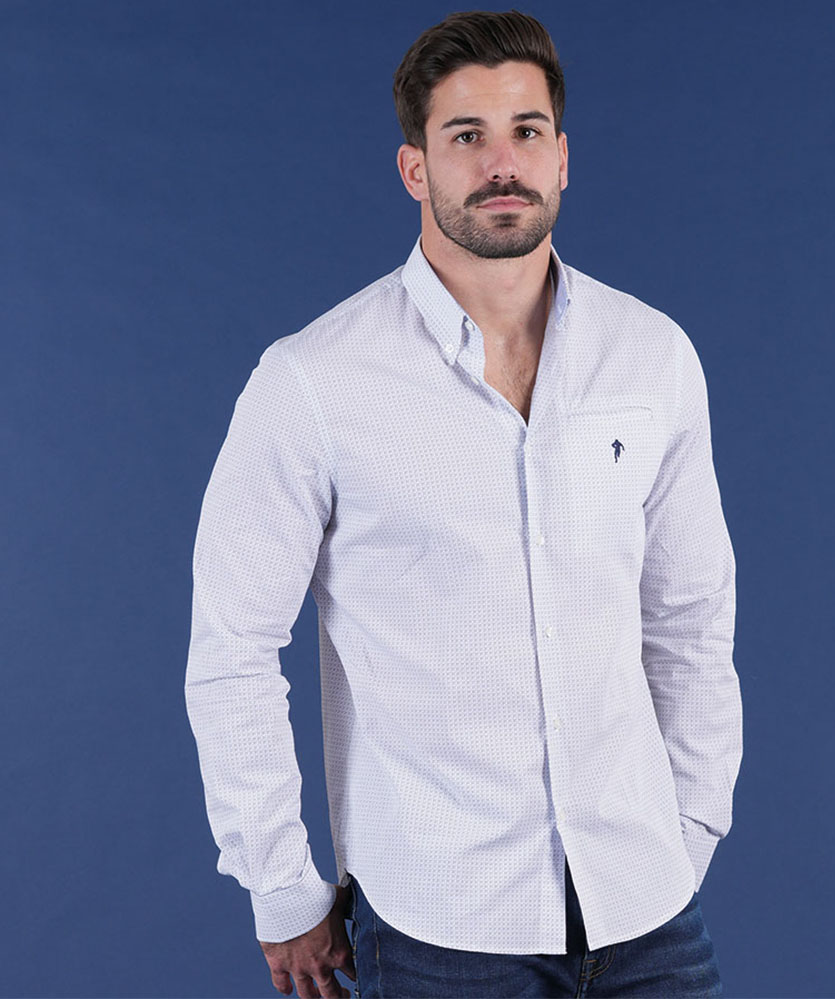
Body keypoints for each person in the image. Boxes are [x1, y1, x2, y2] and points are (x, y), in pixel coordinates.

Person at [185, 9, 742, 998]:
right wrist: (281, 890)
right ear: (415, 168)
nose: (502, 164)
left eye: (526, 131)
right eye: (466, 136)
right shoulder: (314, 382)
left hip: (647, 909)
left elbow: (689, 618)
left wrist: (691, 826)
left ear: (563, 156)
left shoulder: (652, 356)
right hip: (439, 928)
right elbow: (232, 651)